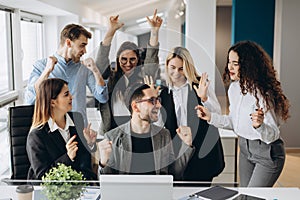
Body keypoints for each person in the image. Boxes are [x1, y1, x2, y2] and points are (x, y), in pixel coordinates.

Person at [196, 40, 290, 187]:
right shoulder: (234, 89)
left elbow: (273, 134)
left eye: (236, 63)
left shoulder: (262, 93)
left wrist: (259, 126)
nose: (230, 67)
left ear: (248, 65)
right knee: (245, 195)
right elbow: (234, 123)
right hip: (245, 150)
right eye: (229, 62)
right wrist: (210, 117)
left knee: (253, 197)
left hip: (267, 153)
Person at [154, 46, 225, 183]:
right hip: (177, 153)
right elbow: (158, 125)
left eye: (181, 68)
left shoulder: (200, 85)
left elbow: (217, 115)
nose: (176, 73)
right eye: (172, 67)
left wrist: (205, 99)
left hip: (203, 151)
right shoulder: (163, 93)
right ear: (167, 66)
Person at [97, 84, 194, 179]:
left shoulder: (164, 135)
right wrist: (103, 162)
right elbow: (106, 182)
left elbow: (173, 174)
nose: (159, 105)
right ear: (135, 107)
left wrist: (186, 145)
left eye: (158, 100)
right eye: (152, 100)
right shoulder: (112, 137)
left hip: (156, 193)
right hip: (126, 193)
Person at [25, 23, 108, 127]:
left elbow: (102, 97)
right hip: (52, 130)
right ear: (68, 43)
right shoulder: (42, 66)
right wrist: (47, 71)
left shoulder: (85, 68)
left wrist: (96, 71)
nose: (85, 51)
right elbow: (30, 100)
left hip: (79, 129)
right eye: (82, 45)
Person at [95, 9, 162, 133]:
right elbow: (101, 61)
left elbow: (151, 59)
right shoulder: (111, 77)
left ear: (138, 60)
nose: (128, 63)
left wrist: (154, 31)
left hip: (137, 124)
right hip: (112, 126)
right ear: (118, 59)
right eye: (123, 59)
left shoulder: (143, 77)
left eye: (132, 59)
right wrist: (111, 30)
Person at [26, 78, 98, 180]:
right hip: (50, 191)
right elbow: (43, 176)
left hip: (77, 186)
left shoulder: (77, 119)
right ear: (52, 102)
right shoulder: (37, 135)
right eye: (66, 94)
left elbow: (83, 160)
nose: (71, 97)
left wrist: (89, 144)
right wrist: (68, 157)